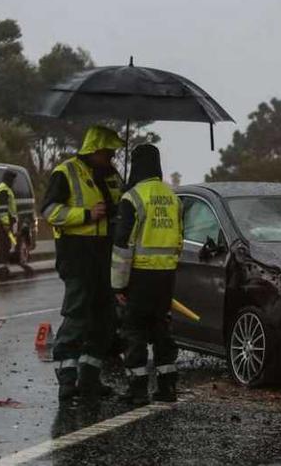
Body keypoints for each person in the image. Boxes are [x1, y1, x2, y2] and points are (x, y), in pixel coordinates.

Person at [42, 125, 125, 401]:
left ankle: (90, 379)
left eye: (113, 153)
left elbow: (120, 206)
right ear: (94, 150)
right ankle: (67, 379)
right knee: (77, 314)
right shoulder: (65, 172)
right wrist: (86, 214)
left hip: (105, 253)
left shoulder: (112, 175)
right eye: (107, 153)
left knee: (104, 318)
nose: (112, 157)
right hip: (76, 252)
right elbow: (50, 210)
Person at [111, 144, 183, 405]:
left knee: (135, 330)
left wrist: (118, 285)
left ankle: (138, 389)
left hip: (140, 276)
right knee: (162, 329)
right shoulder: (172, 197)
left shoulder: (133, 198)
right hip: (166, 275)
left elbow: (122, 246)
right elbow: (179, 240)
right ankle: (167, 388)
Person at [0, 170, 33, 280]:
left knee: (6, 244)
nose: (13, 182)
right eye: (12, 180)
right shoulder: (4, 190)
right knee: (4, 246)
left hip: (5, 221)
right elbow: (3, 209)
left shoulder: (5, 189)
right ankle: (1, 273)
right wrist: (6, 224)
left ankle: (3, 270)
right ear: (8, 179)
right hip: (3, 221)